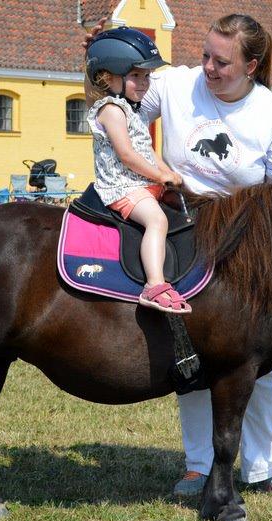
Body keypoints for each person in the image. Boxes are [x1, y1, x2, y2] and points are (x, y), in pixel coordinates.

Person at [85, 14, 272, 502]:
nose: (207, 66)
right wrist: (105, 56)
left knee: (264, 356)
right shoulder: (176, 84)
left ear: (252, 66)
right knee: (188, 347)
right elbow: (121, 101)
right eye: (206, 54)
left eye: (221, 61)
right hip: (183, 227)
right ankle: (198, 464)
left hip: (248, 241)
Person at [85, 27, 191, 314]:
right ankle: (154, 286)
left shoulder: (131, 108)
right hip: (122, 188)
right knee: (157, 221)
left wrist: (169, 174)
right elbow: (128, 155)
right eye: (136, 76)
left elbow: (147, 151)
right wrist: (160, 177)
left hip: (141, 184)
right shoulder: (110, 109)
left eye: (146, 76)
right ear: (108, 77)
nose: (144, 83)